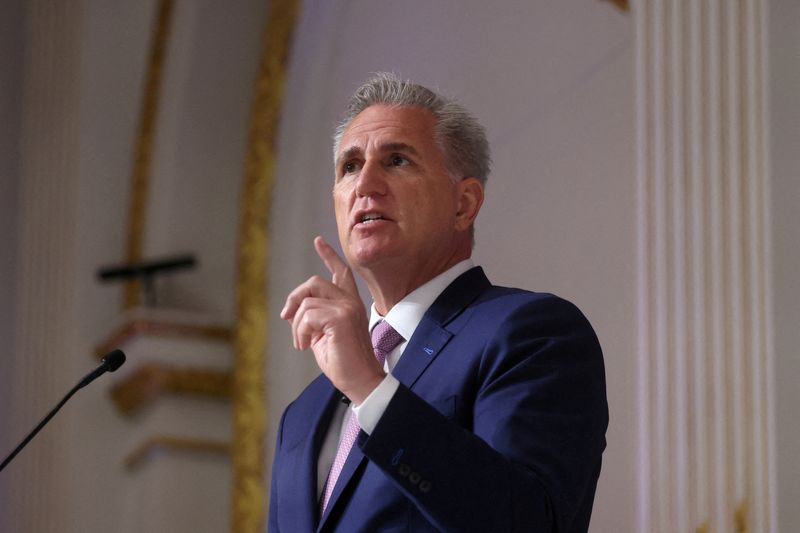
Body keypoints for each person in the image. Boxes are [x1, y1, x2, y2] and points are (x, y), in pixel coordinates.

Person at [269, 73, 608, 532]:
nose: (366, 183)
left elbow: (528, 522)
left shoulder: (532, 333)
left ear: (464, 204)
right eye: (350, 166)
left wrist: (371, 389)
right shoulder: (304, 415)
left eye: (396, 160)